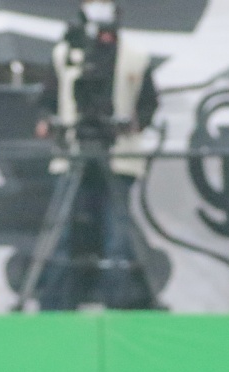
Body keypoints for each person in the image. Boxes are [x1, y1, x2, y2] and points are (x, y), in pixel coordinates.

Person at [34, 0, 159, 310]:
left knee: (117, 233)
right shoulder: (66, 54)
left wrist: (131, 124)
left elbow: (149, 104)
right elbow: (46, 99)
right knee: (61, 231)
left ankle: (119, 302)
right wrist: (48, 122)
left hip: (119, 157)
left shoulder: (136, 57)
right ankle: (55, 304)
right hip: (74, 153)